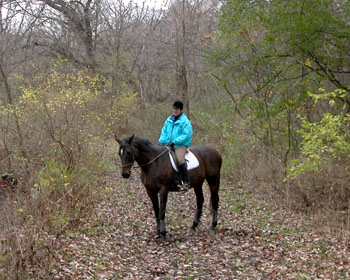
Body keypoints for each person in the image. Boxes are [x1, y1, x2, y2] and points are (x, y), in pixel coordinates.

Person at [159, 100, 193, 191]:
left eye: (177, 109)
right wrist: (162, 141)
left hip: (180, 145)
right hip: (168, 144)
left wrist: (174, 142)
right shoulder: (169, 120)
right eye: (174, 108)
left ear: (181, 110)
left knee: (180, 160)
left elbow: (186, 135)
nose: (175, 111)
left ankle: (186, 182)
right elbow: (164, 131)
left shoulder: (185, 122)